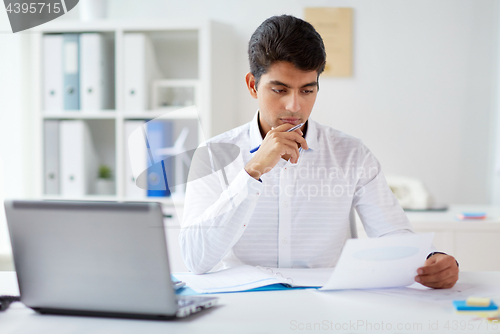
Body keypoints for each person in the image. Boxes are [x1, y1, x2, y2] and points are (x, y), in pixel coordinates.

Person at [180, 14, 459, 289]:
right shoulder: (213, 155)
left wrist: (433, 259)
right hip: (244, 306)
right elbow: (195, 260)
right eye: (279, 90)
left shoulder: (351, 154)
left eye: (307, 91)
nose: (294, 106)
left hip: (327, 304)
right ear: (253, 85)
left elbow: (392, 233)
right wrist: (253, 172)